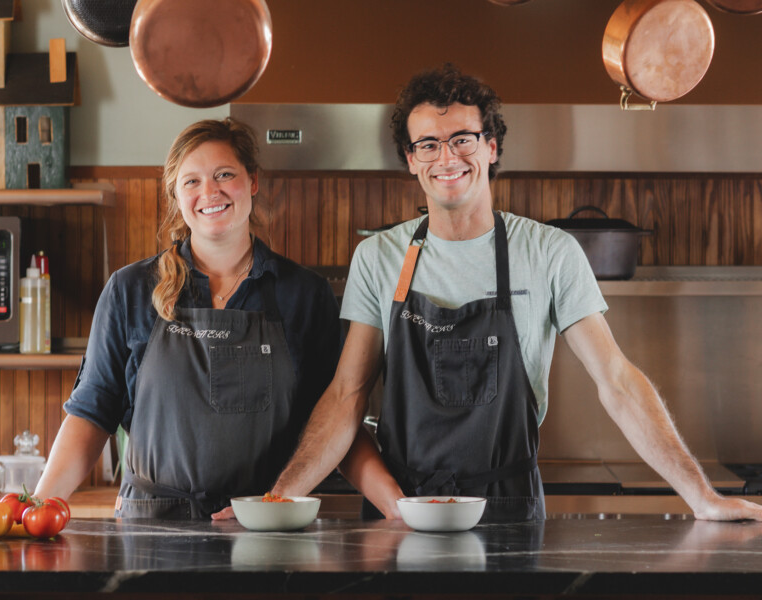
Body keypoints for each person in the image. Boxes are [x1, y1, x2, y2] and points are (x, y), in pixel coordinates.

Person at [265, 64, 762, 523]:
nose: (447, 157)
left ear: (492, 146)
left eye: (463, 139)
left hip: (509, 509)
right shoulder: (379, 257)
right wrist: (276, 500)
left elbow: (617, 380)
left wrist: (702, 496)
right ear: (412, 161)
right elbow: (346, 396)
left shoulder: (550, 252)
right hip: (406, 511)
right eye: (429, 145)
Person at [34, 118, 342, 519]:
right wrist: (33, 510)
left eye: (224, 175)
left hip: (263, 528)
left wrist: (276, 502)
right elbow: (92, 414)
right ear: (176, 196)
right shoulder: (131, 290)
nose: (209, 192)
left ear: (253, 181)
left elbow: (333, 417)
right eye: (191, 181)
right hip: (151, 531)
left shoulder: (303, 294)